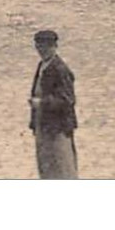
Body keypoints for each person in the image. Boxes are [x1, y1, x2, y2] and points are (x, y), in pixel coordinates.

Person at [29, 30, 78, 179]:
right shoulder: (42, 65)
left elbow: (68, 100)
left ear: (54, 47)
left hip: (58, 128)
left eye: (45, 47)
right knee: (46, 167)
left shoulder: (60, 69)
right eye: (39, 47)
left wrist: (42, 103)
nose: (41, 51)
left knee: (62, 167)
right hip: (43, 125)